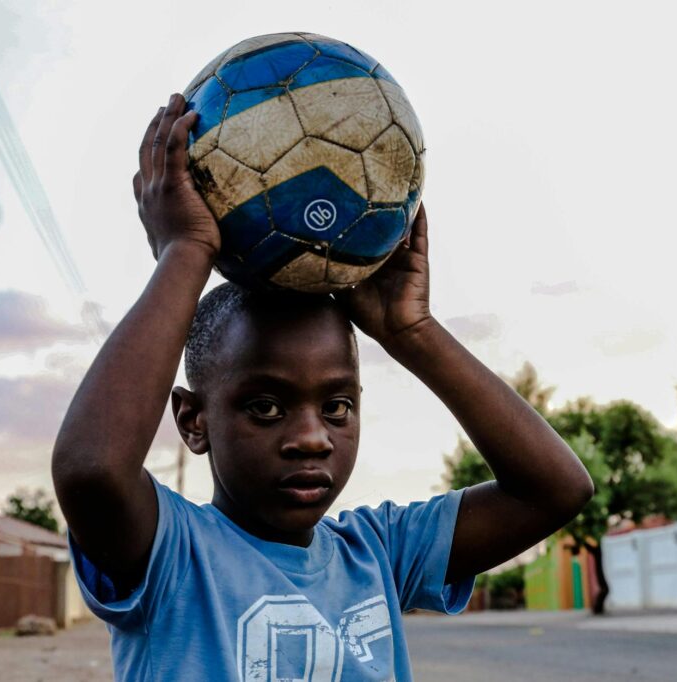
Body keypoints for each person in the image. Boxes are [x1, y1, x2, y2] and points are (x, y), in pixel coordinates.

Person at [52, 93, 594, 681]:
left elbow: (554, 490)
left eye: (336, 406)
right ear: (192, 420)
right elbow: (91, 470)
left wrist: (412, 331)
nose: (311, 438)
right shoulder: (171, 554)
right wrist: (185, 252)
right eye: (264, 407)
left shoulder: (377, 553)